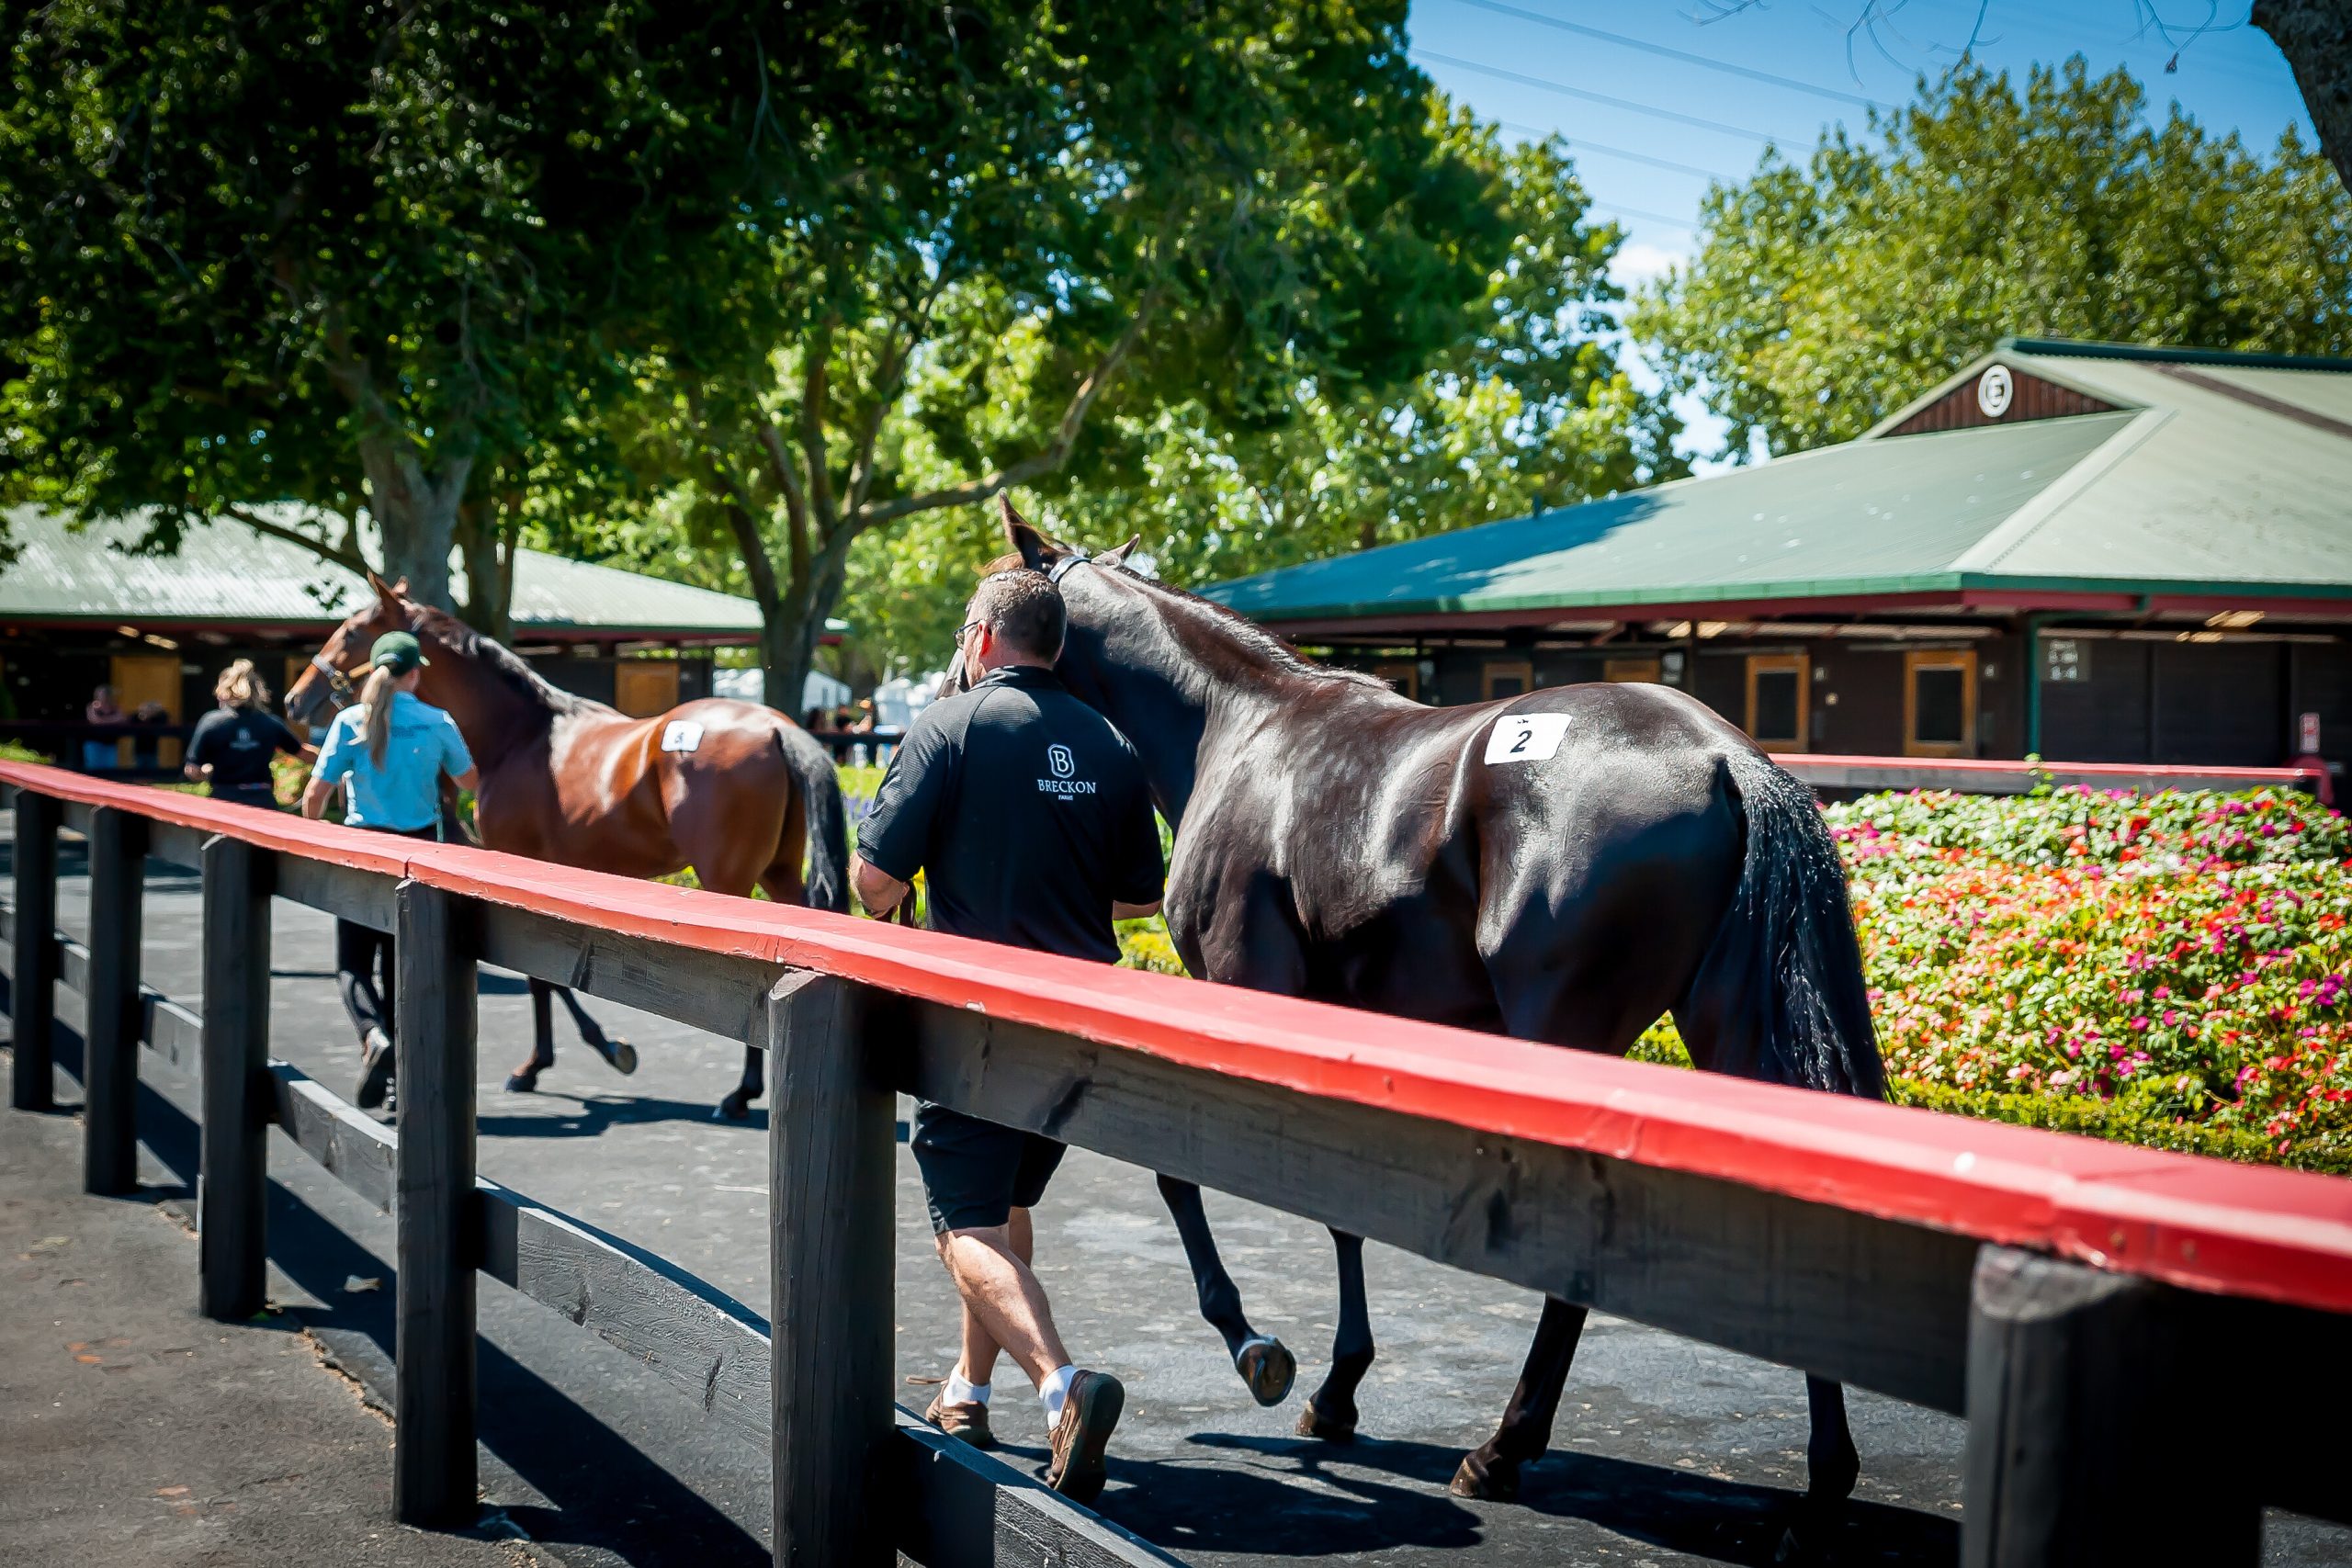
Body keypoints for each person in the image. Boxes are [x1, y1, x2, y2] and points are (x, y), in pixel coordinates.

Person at [852, 568, 1164, 1502]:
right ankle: (968, 1388)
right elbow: (1142, 896)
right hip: (1076, 1026)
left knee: (959, 1227)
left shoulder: (948, 728)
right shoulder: (1111, 742)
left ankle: (1062, 1385)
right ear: (1055, 643)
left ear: (982, 637)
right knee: (1002, 1212)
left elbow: (873, 884)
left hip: (975, 1021)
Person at [300, 632, 478, 1111]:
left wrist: (315, 836)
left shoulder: (349, 721)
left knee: (353, 965)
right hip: (418, 858)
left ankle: (373, 1035)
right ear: (414, 674)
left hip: (363, 854)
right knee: (403, 970)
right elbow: (471, 781)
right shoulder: (436, 720)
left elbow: (316, 795)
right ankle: (402, 1086)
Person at [185, 660, 311, 810]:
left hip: (224, 800)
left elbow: (192, 770)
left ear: (224, 691)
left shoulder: (211, 721)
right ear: (258, 690)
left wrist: (206, 773)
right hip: (262, 801)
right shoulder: (270, 723)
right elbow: (303, 753)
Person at [83, 685, 122, 772]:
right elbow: (94, 720)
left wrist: (103, 720)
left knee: (110, 769)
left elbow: (120, 718)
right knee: (94, 769)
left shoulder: (115, 707)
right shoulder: (92, 707)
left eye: (106, 694)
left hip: (110, 743)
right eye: (101, 694)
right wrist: (111, 720)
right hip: (94, 742)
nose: (104, 696)